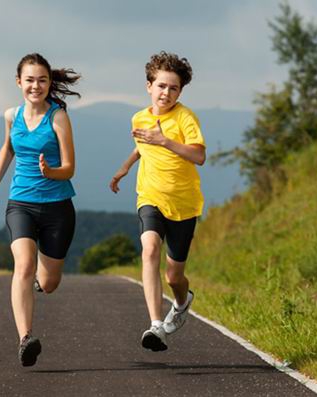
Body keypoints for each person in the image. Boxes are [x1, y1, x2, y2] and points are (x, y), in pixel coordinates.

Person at [0, 53, 80, 366]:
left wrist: (52, 172)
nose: (36, 85)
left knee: (49, 283)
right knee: (23, 266)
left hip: (58, 207)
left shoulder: (58, 117)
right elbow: (7, 148)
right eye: (30, 80)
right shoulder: (11, 115)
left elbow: (70, 167)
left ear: (49, 83)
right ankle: (25, 338)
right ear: (19, 82)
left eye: (42, 80)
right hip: (21, 203)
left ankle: (35, 285)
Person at [110, 51, 205, 352]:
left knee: (174, 275)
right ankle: (155, 325)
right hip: (150, 197)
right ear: (149, 86)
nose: (166, 93)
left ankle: (181, 301)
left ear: (180, 91)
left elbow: (199, 156)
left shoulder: (185, 118)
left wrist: (165, 140)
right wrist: (125, 167)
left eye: (173, 88)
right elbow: (142, 146)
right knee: (149, 249)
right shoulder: (139, 117)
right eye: (161, 86)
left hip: (184, 204)